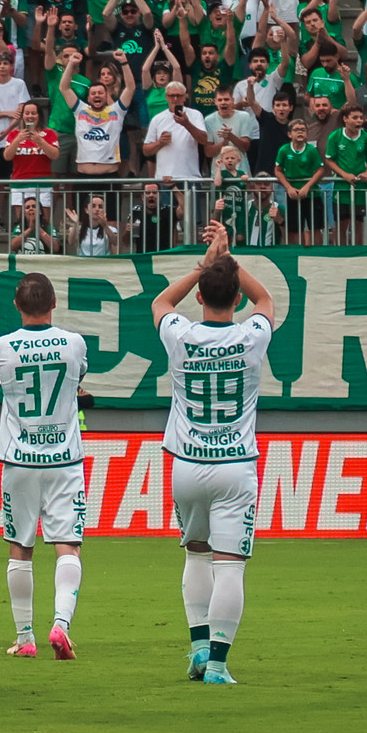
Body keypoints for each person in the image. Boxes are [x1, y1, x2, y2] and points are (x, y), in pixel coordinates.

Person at [153, 222, 276, 685]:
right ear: (236, 300)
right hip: (234, 467)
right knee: (230, 565)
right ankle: (219, 665)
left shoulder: (181, 335)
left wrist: (206, 265)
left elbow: (161, 303)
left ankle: (198, 649)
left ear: (200, 298)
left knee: (196, 555)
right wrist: (230, 261)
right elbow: (265, 301)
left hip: (187, 464)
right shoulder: (251, 335)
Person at [0, 273, 92, 661]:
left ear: (16, 306)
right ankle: (61, 625)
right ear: (54, 303)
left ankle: (25, 636)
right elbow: (78, 377)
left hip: (20, 459)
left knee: (20, 547)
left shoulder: (2, 346)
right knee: (69, 545)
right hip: (64, 459)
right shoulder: (74, 343)